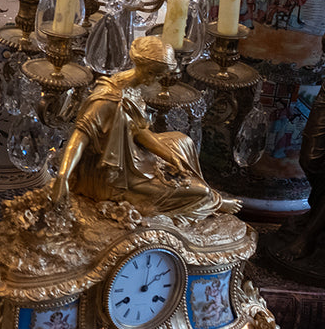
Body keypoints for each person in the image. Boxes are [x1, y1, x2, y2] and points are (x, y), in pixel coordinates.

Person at [51, 37, 240, 222]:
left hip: (134, 158)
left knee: (183, 142)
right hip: (114, 178)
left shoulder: (131, 90)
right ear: (148, 71)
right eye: (158, 76)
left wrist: (169, 156)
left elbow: (138, 132)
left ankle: (203, 195)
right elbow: (79, 137)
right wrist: (62, 177)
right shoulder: (106, 99)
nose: (158, 81)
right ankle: (211, 200)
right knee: (200, 192)